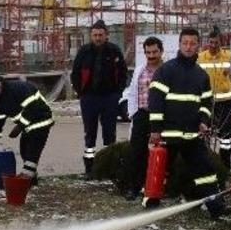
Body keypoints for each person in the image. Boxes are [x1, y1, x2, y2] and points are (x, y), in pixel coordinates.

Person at [146, 27, 229, 219]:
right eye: (185, 43)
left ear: (198, 45)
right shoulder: (165, 70)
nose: (189, 47)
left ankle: (216, 209)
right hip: (169, 135)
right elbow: (155, 102)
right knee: (160, 171)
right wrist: (156, 130)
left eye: (192, 43)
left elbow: (207, 103)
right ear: (179, 44)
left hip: (192, 135)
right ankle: (150, 207)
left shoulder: (201, 75)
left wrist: (203, 121)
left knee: (205, 171)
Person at [70, 19, 127, 178]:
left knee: (110, 134)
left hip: (109, 98)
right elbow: (75, 73)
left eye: (100, 35)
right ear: (91, 36)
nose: (97, 38)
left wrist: (118, 93)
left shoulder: (114, 51)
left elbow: (123, 74)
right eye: (95, 35)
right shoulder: (84, 51)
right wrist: (80, 92)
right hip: (89, 98)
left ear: (106, 35)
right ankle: (90, 169)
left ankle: (110, 168)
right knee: (90, 134)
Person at [0, 73, 54, 185]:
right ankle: (31, 178)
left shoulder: (19, 88)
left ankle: (26, 180)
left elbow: (33, 107)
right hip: (27, 126)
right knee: (24, 150)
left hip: (41, 120)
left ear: (0, 84)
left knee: (32, 152)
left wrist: (20, 126)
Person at [121, 36, 164, 200]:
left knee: (161, 152)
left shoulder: (166, 70)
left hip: (161, 118)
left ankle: (157, 186)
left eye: (154, 52)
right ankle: (134, 187)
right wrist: (134, 113)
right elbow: (133, 92)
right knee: (137, 152)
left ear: (161, 51)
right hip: (142, 115)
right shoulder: (140, 70)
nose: (151, 55)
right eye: (148, 52)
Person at [199, 29, 231, 168]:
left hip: (225, 103)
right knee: (204, 135)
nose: (213, 45)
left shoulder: (228, 57)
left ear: (221, 42)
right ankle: (205, 165)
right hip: (206, 103)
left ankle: (225, 166)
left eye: (216, 42)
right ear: (208, 42)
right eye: (211, 42)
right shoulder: (200, 58)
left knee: (225, 138)